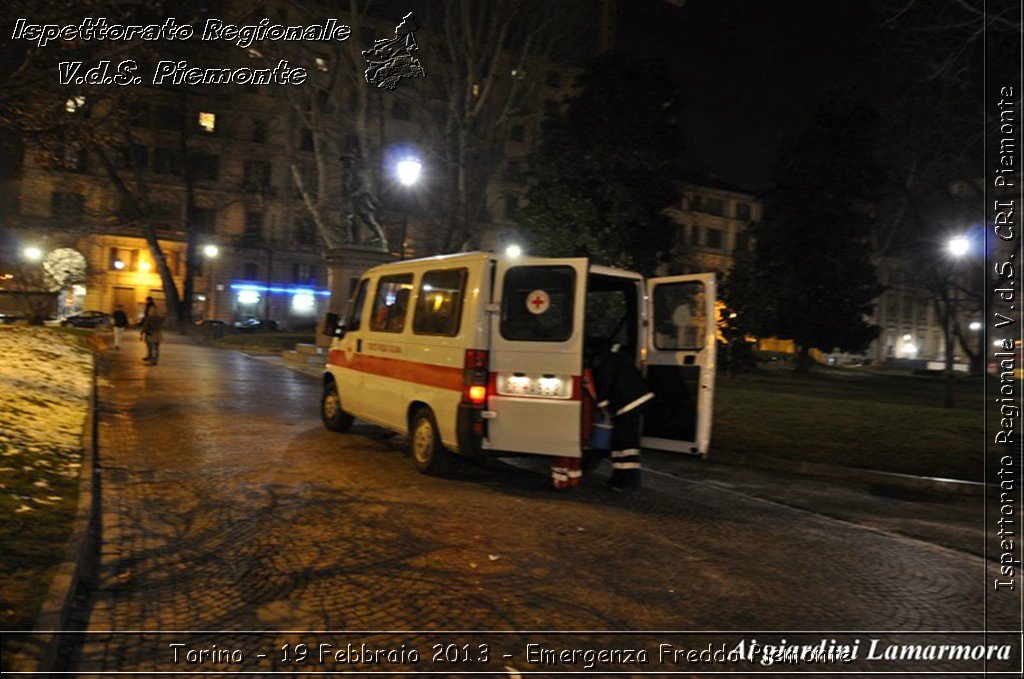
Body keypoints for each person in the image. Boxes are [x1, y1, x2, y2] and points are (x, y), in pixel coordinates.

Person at [591, 340, 655, 491]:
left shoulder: (607, 358)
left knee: (626, 444)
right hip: (634, 400)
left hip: (628, 403)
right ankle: (619, 478)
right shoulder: (616, 353)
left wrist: (602, 405)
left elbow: (605, 382)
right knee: (621, 442)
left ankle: (628, 482)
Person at [139, 299, 163, 365]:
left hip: (151, 334)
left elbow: (145, 326)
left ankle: (151, 360)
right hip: (158, 335)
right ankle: (155, 360)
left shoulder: (149, 318)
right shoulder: (159, 318)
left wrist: (142, 333)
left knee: (151, 347)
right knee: (156, 348)